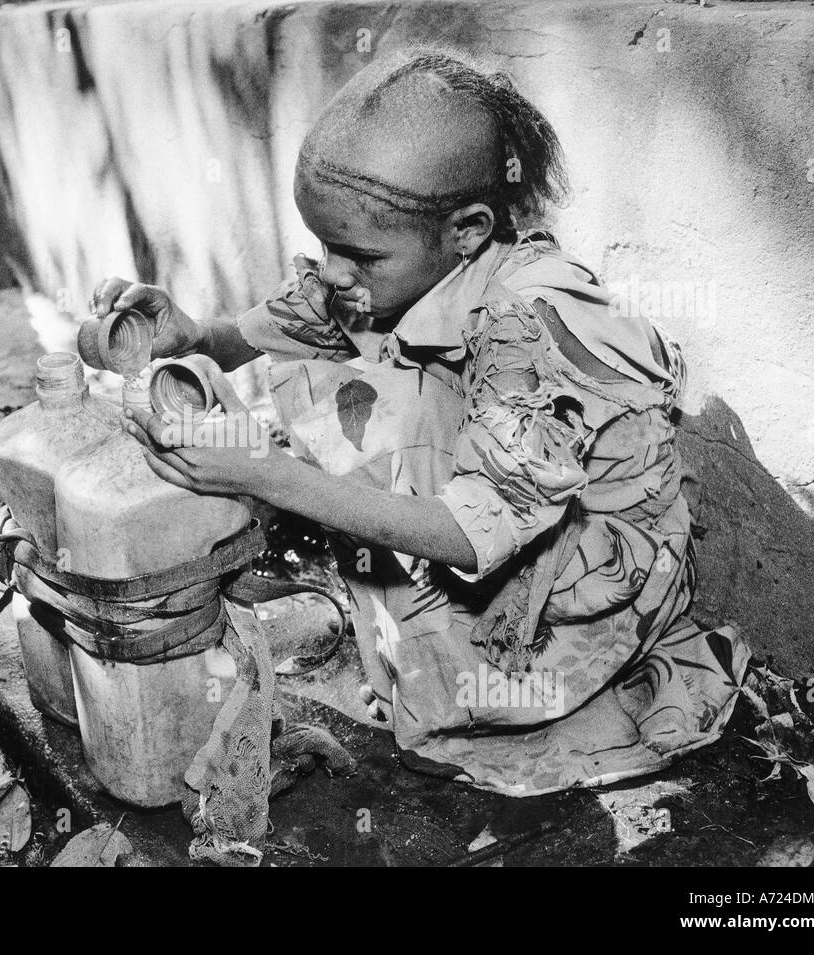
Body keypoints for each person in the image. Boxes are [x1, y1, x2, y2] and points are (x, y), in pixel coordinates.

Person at [88, 47, 749, 795]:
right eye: (323, 246)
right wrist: (196, 338)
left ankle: (486, 680)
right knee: (335, 387)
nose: (334, 272)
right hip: (499, 519)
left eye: (357, 254)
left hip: (576, 576)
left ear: (467, 229)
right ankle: (410, 640)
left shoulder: (531, 321)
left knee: (350, 433)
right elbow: (285, 325)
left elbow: (470, 534)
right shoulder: (396, 264)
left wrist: (270, 477)